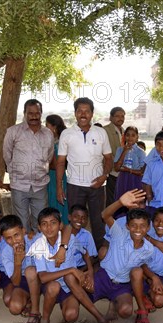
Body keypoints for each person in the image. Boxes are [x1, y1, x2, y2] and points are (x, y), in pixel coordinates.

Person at [29, 207, 110, 323]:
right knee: (57, 283)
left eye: (53, 223)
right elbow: (43, 277)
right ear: (39, 228)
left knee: (71, 315)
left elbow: (85, 252)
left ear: (60, 225)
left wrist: (90, 270)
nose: (49, 228)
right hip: (52, 286)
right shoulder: (38, 245)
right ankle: (45, 320)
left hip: (70, 287)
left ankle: (99, 318)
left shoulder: (70, 240)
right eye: (44, 224)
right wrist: (71, 269)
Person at [56, 97, 113, 249]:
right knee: (75, 222)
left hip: (97, 186)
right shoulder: (67, 134)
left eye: (87, 111)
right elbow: (61, 162)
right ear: (75, 113)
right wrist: (59, 187)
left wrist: (104, 176)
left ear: (92, 114)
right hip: (75, 185)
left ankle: (100, 258)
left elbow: (108, 159)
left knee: (98, 221)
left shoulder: (101, 133)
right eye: (80, 111)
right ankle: (73, 255)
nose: (83, 114)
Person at [95, 190, 154, 323]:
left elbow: (141, 267)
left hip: (122, 282)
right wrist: (120, 202)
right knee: (80, 293)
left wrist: (153, 279)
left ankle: (121, 302)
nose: (138, 229)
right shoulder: (119, 232)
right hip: (105, 275)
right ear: (128, 226)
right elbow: (105, 215)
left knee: (126, 311)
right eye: (133, 226)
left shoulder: (149, 249)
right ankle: (100, 318)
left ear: (148, 228)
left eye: (142, 226)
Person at [3, 99, 55, 233]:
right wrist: (16, 171)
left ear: (41, 113)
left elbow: (49, 156)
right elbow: (7, 155)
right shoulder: (13, 131)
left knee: (41, 221)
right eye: (30, 113)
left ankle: (40, 251)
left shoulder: (48, 134)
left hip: (40, 185)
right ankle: (23, 251)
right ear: (24, 113)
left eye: (37, 113)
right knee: (21, 223)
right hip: (19, 185)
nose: (34, 116)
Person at [131, 207, 163, 323]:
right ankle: (145, 293)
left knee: (161, 301)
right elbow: (140, 261)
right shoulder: (147, 235)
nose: (160, 224)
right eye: (157, 220)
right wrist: (157, 243)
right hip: (146, 272)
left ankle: (148, 294)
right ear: (152, 223)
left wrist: (152, 240)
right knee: (135, 269)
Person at [0, 215, 41, 323]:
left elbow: (61, 231)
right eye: (9, 238)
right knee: (14, 308)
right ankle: (29, 299)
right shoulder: (6, 252)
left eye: (16, 235)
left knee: (30, 271)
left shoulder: (35, 239)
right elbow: (16, 282)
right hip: (23, 280)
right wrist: (17, 262)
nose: (14, 241)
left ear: (23, 231)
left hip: (43, 277)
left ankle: (35, 313)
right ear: (3, 239)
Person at [46, 114, 69, 224]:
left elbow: (56, 165)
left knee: (58, 200)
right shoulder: (54, 141)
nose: (45, 128)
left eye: (47, 125)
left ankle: (61, 226)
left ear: (54, 128)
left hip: (56, 175)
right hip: (50, 176)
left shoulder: (59, 143)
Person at [114, 126, 146, 201]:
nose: (130, 138)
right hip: (122, 179)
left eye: (133, 135)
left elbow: (142, 172)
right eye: (127, 135)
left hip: (135, 179)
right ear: (124, 137)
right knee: (121, 201)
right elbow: (116, 168)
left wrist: (128, 170)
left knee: (134, 201)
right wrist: (124, 151)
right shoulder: (120, 150)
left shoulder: (140, 152)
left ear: (137, 137)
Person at [103, 107, 126, 207]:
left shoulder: (124, 131)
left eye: (122, 116)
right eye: (117, 116)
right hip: (110, 171)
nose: (120, 118)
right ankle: (110, 222)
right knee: (111, 200)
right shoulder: (105, 131)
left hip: (122, 171)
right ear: (111, 117)